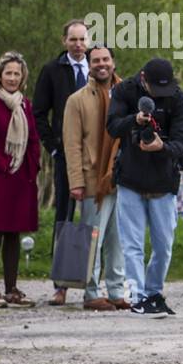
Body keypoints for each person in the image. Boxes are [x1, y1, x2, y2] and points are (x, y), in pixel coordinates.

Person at [107, 57, 183, 317]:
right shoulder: (124, 90)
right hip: (130, 178)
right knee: (132, 245)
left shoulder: (177, 98)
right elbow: (112, 127)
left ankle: (154, 292)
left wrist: (162, 148)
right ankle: (137, 297)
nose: (161, 94)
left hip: (163, 181)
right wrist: (136, 119)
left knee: (163, 244)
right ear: (144, 78)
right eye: (156, 89)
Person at [62, 44, 129, 312]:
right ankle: (90, 293)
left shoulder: (127, 94)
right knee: (93, 238)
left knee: (118, 240)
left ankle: (115, 291)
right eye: (96, 60)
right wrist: (76, 181)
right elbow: (72, 144)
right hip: (92, 179)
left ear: (113, 62)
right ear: (89, 65)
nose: (102, 64)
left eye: (106, 59)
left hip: (123, 179)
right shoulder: (77, 100)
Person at [0, 52, 41, 308]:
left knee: (14, 232)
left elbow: (33, 139)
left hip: (21, 178)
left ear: (23, 77)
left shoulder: (26, 105)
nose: (13, 78)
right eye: (8, 73)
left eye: (17, 73)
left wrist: (33, 167)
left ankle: (12, 289)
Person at [32, 19, 90, 306]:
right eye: (73, 40)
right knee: (65, 219)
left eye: (82, 40)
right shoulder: (52, 71)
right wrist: (53, 148)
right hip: (66, 156)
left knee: (96, 219)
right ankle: (61, 286)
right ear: (64, 41)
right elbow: (39, 113)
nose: (78, 45)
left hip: (96, 158)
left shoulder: (100, 66)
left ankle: (95, 284)